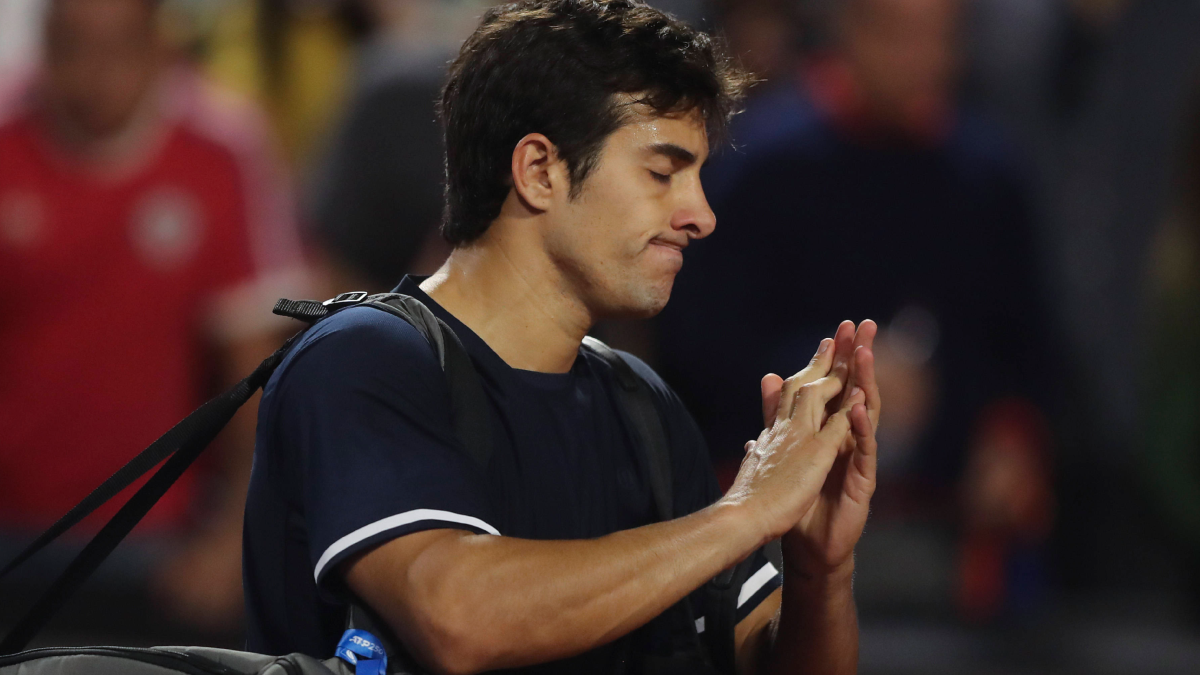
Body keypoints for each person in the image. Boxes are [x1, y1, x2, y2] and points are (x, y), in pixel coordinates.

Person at [243, 1, 881, 673]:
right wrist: (745, 512)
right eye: (662, 173)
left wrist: (818, 570)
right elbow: (458, 617)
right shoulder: (362, 359)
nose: (701, 215)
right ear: (540, 171)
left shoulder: (644, 407)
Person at [658, 0, 1054, 620]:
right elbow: (697, 353)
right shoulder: (759, 167)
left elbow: (1027, 348)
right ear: (846, 31)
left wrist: (1008, 437)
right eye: (898, 37)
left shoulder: (990, 176)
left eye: (938, 40)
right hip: (780, 527)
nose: (920, 61)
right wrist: (838, 375)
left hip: (947, 532)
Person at [0, 0, 307, 632]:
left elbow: (255, 370)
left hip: (156, 543)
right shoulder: (6, 137)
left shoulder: (222, 150)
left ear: (158, 48)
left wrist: (231, 540)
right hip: (12, 530)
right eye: (71, 50)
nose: (92, 76)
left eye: (116, 51)